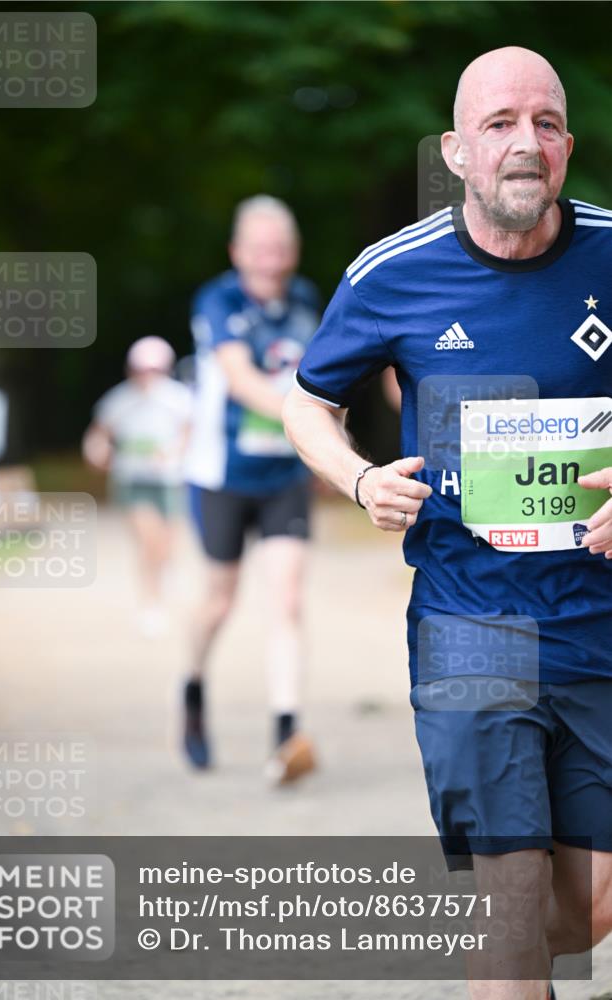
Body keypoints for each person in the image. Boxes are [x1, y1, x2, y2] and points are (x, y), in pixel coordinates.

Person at [283, 47, 612, 1000]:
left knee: (583, 909)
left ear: (567, 147)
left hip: (597, 621)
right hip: (469, 621)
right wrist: (357, 480)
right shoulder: (394, 273)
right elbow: (307, 403)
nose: (525, 142)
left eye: (545, 123)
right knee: (508, 903)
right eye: (499, 124)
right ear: (456, 151)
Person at [183, 195, 320, 782]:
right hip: (222, 474)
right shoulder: (218, 301)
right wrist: (306, 422)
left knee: (287, 598)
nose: (271, 260)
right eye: (260, 249)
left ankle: (286, 733)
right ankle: (192, 687)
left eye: (280, 248)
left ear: (294, 252)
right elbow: (239, 380)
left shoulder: (307, 300)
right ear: (237, 252)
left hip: (284, 476)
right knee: (221, 599)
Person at [83, 336, 192, 637]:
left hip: (169, 481)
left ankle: (164, 570)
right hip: (132, 480)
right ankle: (151, 602)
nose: (148, 376)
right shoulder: (119, 400)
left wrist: (174, 453)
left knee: (166, 541)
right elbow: (98, 434)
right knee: (148, 540)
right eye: (142, 369)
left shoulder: (179, 398)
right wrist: (97, 451)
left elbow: (190, 433)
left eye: (155, 369)